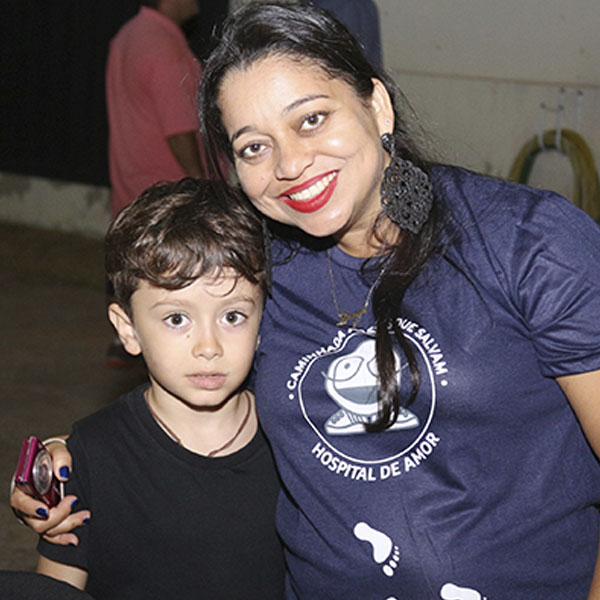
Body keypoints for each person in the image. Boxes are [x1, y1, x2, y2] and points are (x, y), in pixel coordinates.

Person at [12, 2, 600, 599]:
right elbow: (193, 366)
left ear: (377, 104)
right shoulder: (264, 268)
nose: (290, 164)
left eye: (312, 119)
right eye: (253, 148)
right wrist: (73, 461)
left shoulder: (527, 241)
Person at [26, 179, 285, 599]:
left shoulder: (296, 438)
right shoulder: (90, 456)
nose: (208, 347)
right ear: (128, 330)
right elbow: (54, 591)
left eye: (233, 316)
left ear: (263, 322)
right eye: (176, 319)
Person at [104, 0, 209, 367]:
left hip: (132, 186)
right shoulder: (164, 46)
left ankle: (127, 339)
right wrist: (201, 183)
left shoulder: (128, 36)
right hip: (171, 195)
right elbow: (178, 126)